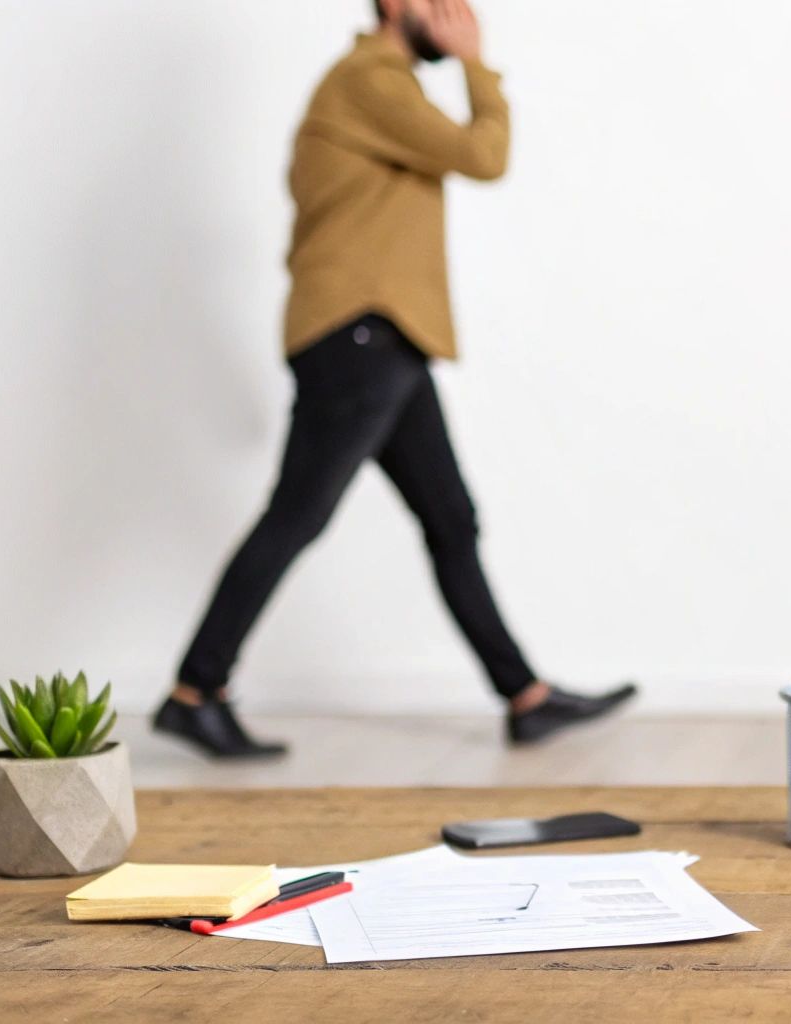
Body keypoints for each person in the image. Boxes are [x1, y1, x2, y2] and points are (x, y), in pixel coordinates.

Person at [157, 0, 635, 758]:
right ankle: (195, 690)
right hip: (360, 334)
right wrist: (477, 62)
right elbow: (485, 156)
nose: (460, 10)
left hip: (385, 337)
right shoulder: (368, 80)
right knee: (298, 515)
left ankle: (526, 697)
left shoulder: (378, 86)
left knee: (450, 520)